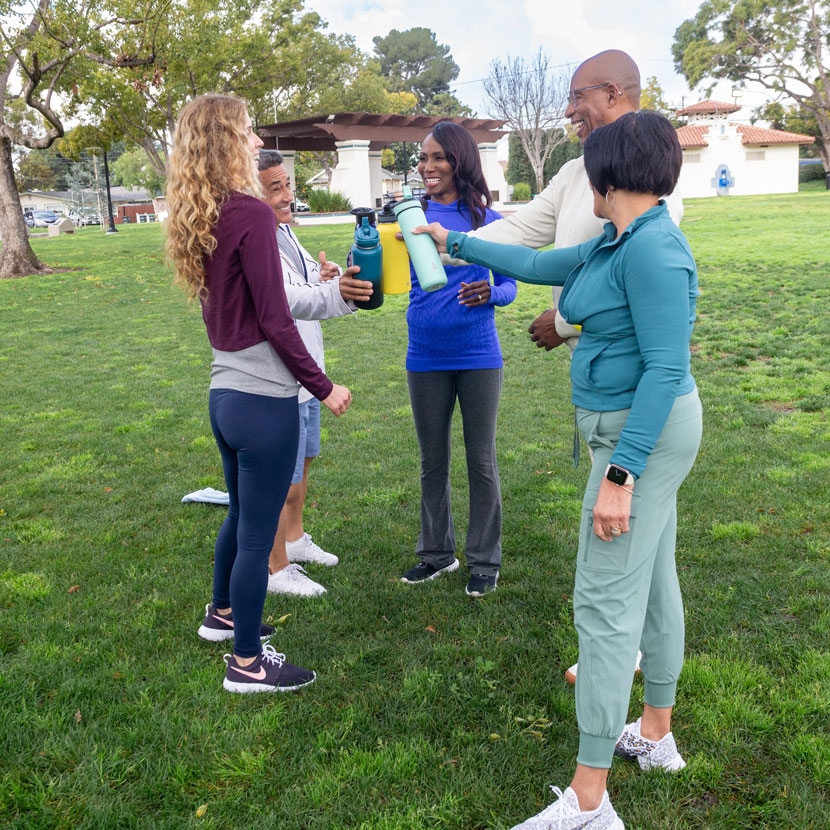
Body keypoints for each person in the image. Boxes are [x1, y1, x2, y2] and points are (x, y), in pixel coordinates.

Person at [415, 110, 702, 829]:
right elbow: (542, 264)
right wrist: (455, 241)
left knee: (604, 607)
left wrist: (620, 474)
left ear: (611, 175)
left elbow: (667, 369)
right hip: (640, 438)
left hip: (641, 440)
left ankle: (588, 800)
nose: (587, 183)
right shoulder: (617, 238)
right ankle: (658, 735)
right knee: (655, 576)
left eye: (591, 170)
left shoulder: (655, 252)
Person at [446, 49, 683, 682]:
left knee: (621, 541)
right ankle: (649, 697)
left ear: (612, 94)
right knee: (651, 549)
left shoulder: (649, 179)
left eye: (578, 97)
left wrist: (564, 321)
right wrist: (453, 244)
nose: (570, 110)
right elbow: (526, 236)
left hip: (633, 392)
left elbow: (638, 288)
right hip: (599, 383)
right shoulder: (580, 171)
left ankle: (617, 656)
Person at [165, 93, 351, 693]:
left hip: (225, 396)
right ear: (225, 141)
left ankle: (222, 615)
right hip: (263, 401)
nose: (254, 141)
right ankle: (247, 662)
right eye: (246, 131)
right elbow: (275, 318)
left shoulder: (208, 215)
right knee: (254, 534)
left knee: (243, 514)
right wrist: (322, 386)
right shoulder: (248, 213)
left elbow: (254, 307)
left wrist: (330, 296)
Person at [397, 120, 517, 597]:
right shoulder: (410, 216)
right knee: (433, 461)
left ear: (459, 161)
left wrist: (491, 292)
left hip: (478, 355)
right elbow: (383, 277)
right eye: (423, 159)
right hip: (423, 354)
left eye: (437, 158)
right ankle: (437, 554)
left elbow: (511, 284)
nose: (427, 167)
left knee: (480, 461)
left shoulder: (487, 221)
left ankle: (484, 560)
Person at [257, 149, 373, 597]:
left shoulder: (285, 232)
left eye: (288, 185)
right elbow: (288, 300)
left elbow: (306, 285)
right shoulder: (256, 240)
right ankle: (276, 568)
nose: (288, 195)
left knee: (302, 465)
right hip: (280, 376)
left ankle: (295, 539)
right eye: (275, 188)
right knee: (275, 477)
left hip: (306, 372)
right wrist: (332, 290)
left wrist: (328, 277)